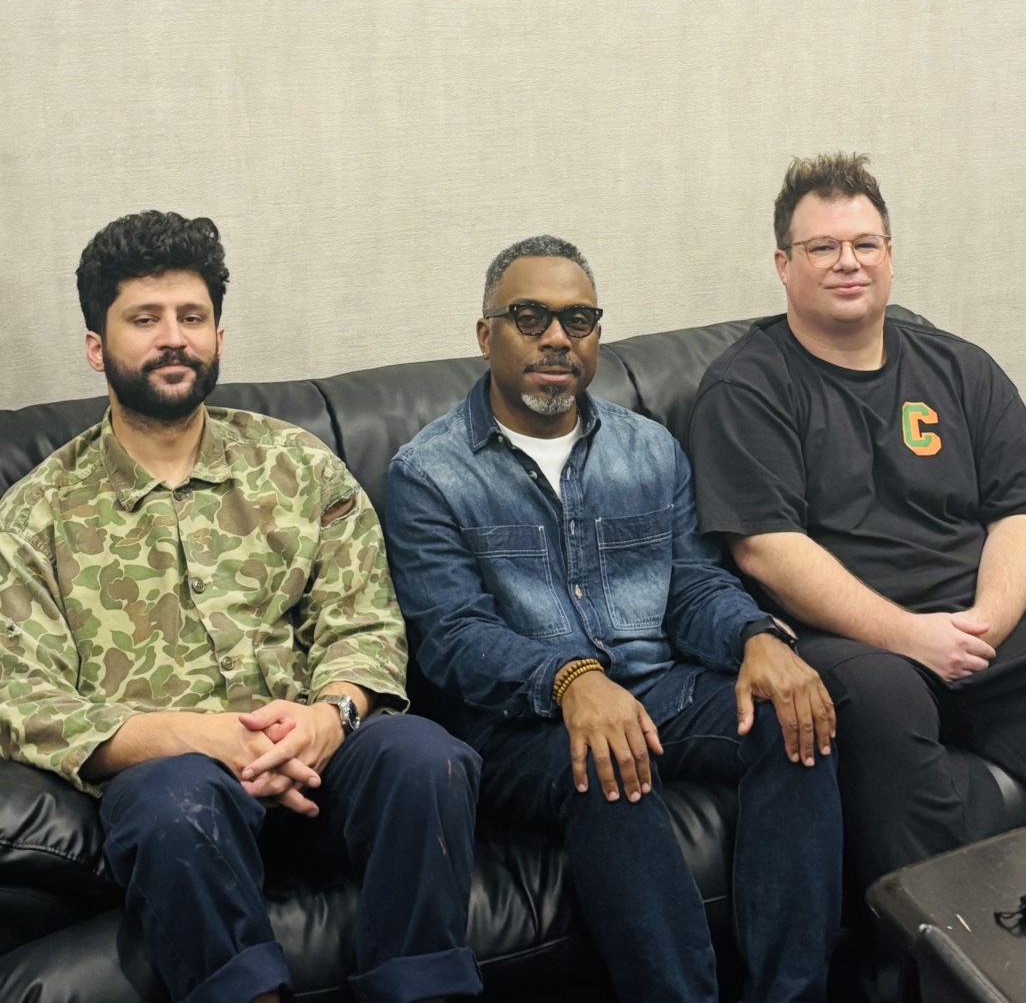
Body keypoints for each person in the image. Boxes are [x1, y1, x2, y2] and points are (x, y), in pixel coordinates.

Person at [0, 211, 481, 1003]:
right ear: (95, 346)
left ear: (218, 336)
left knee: (426, 757)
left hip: (317, 757)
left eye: (192, 318)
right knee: (174, 802)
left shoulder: (298, 467)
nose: (173, 338)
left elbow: (364, 621)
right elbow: (28, 702)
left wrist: (330, 715)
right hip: (173, 783)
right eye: (144, 319)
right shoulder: (36, 515)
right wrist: (204, 736)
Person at [689, 153, 1026, 892]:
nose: (848, 262)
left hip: (973, 621)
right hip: (840, 638)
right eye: (822, 247)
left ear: (889, 256)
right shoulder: (746, 385)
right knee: (882, 695)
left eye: (865, 243)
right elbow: (766, 551)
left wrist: (985, 622)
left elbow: (1023, 512)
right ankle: (939, 940)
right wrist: (910, 636)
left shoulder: (961, 368)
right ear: (784, 266)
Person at [384, 235, 843, 1003]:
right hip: (518, 724)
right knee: (603, 755)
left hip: (658, 688)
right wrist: (570, 679)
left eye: (578, 320)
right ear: (485, 335)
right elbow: (454, 637)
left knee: (794, 716)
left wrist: (756, 637)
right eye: (529, 318)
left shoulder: (650, 449)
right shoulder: (428, 473)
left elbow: (692, 585)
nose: (556, 338)